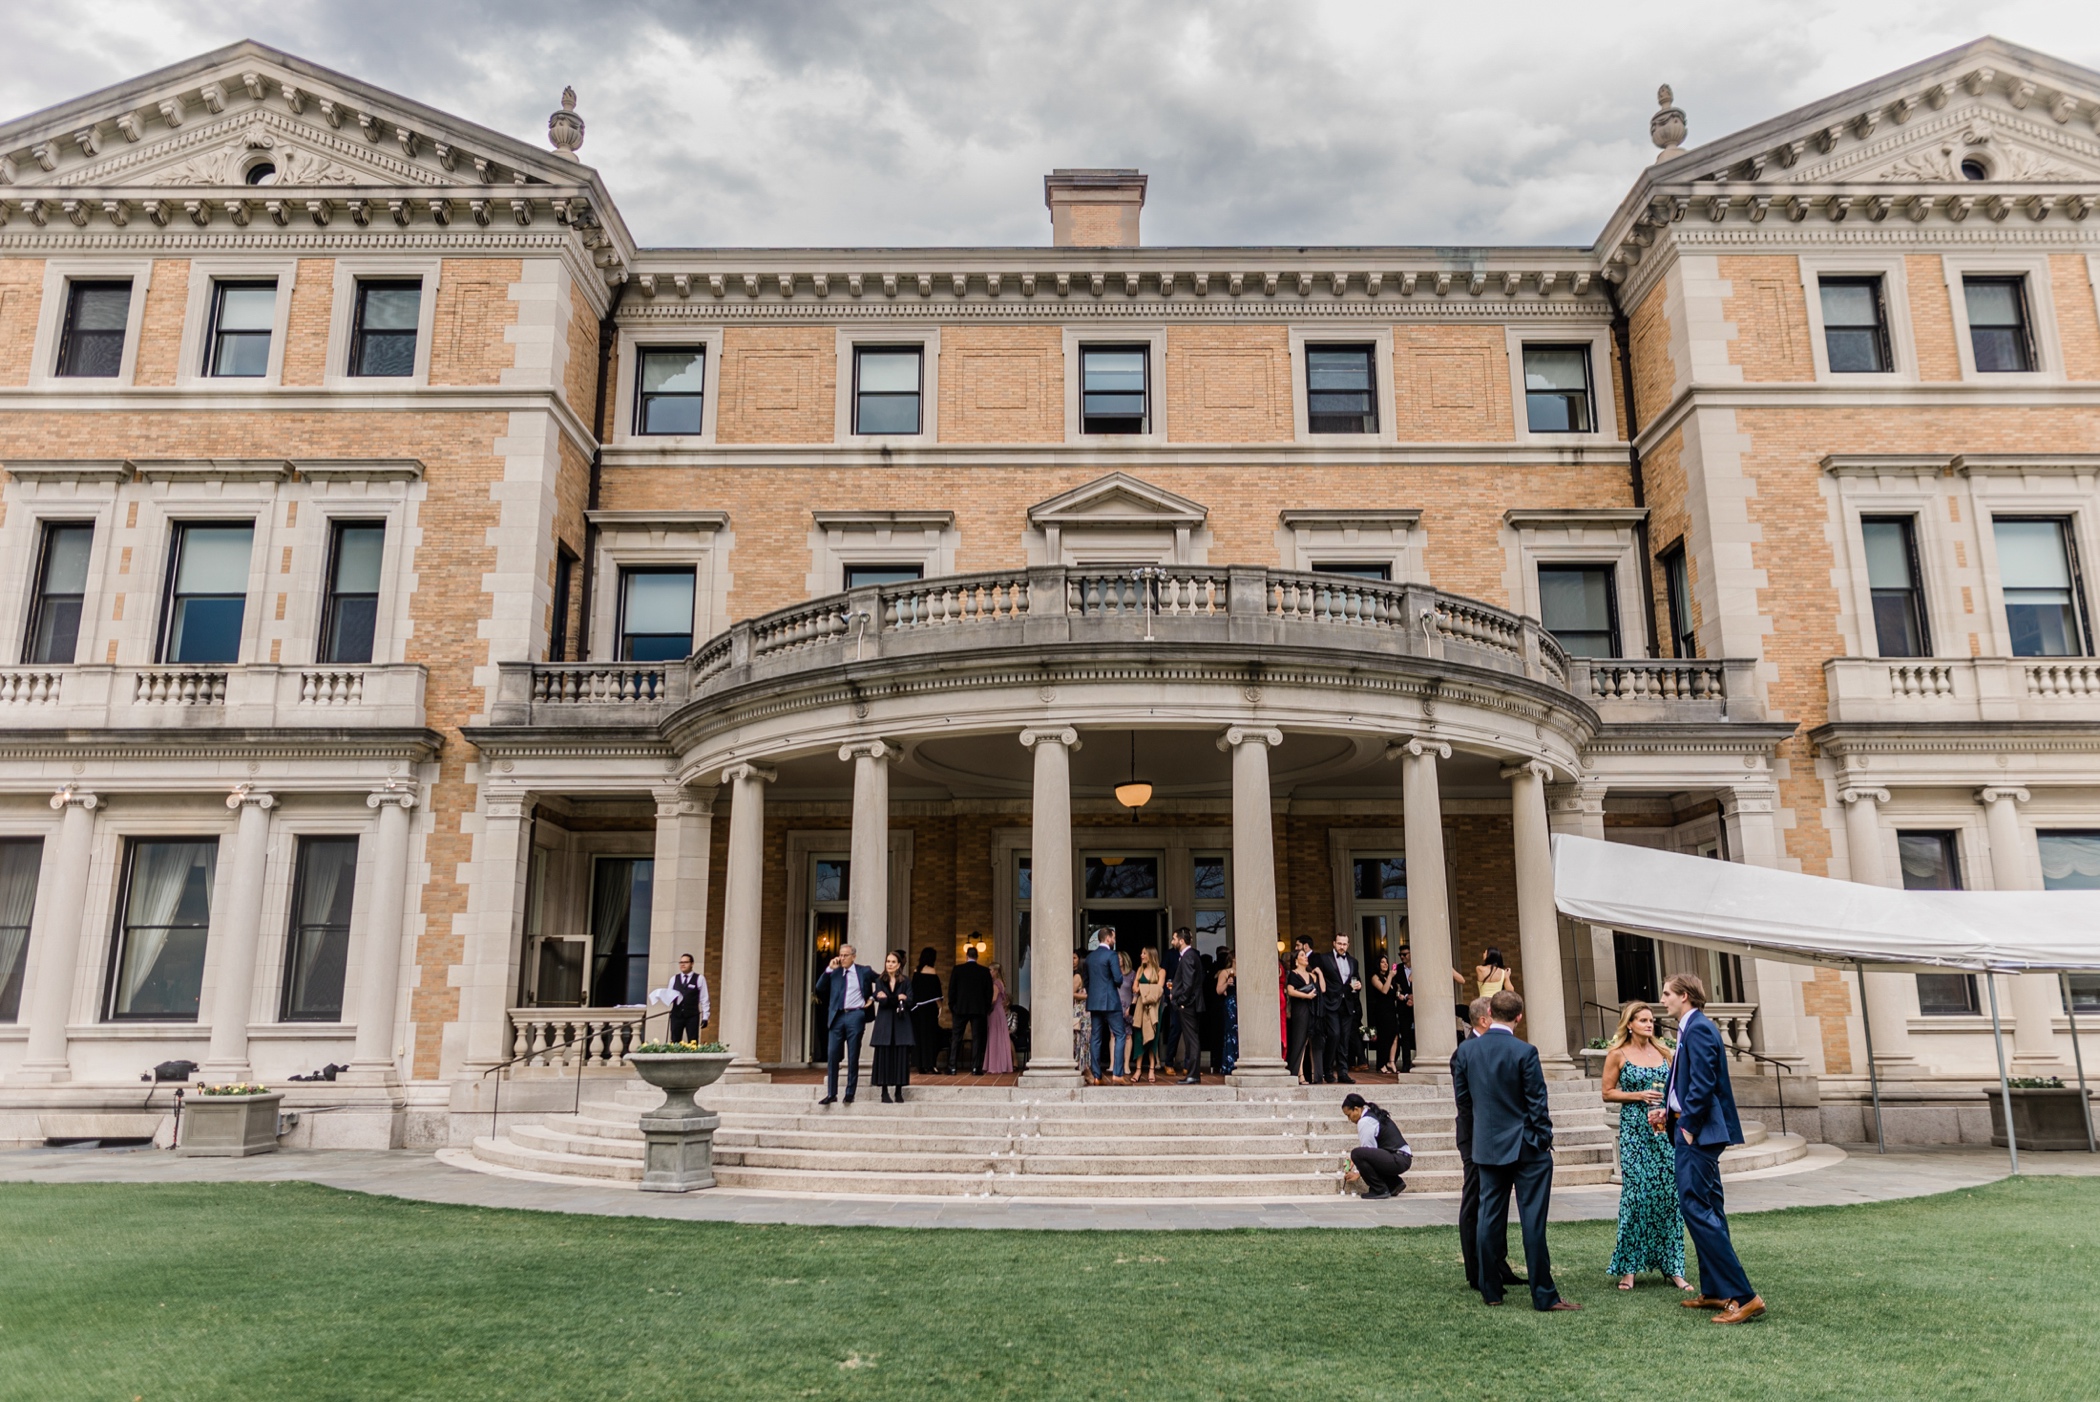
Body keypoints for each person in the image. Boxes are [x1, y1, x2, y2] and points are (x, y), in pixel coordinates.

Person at [1450, 990, 1578, 1312]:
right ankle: (1544, 1296)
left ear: (1490, 1013)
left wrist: (1482, 1136)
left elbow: (1464, 1102)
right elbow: (1537, 1101)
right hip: (1527, 1148)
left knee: (1488, 1218)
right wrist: (1543, 1138)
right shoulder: (1525, 1051)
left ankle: (1490, 1290)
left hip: (1487, 1145)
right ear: (1519, 1017)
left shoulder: (1465, 1051)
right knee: (1532, 1222)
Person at [1656, 973, 1765, 1324]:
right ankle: (1717, 1290)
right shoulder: (1691, 1028)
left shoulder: (1699, 1028)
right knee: (1709, 1209)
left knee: (1697, 1209)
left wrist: (1687, 1125)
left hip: (1698, 1133)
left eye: (1667, 994)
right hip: (1691, 1128)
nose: (1663, 1000)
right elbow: (1686, 1081)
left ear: (1685, 996)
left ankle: (1745, 1297)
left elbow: (1703, 1084)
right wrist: (1668, 1110)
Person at [1603, 999, 1692, 1290]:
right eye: (1642, 1020)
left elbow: (1676, 1089)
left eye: (1651, 1020)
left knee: (1669, 1196)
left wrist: (1669, 1109)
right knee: (1636, 1196)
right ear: (1629, 1024)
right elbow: (1607, 1092)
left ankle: (1673, 1267)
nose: (1649, 1024)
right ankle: (1628, 1268)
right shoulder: (1617, 1054)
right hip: (1634, 1132)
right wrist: (1638, 1095)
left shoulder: (1664, 1052)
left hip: (1663, 1131)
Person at [1452, 996, 1523, 1296]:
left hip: (1500, 1137)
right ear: (1485, 1019)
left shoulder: (1495, 1046)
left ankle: (1498, 1265)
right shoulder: (1465, 1051)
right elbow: (1465, 1103)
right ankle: (1477, 1271)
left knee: (1497, 1202)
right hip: (1475, 1137)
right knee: (1475, 1202)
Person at [813, 943, 878, 1106]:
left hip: (855, 1015)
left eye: (845, 955)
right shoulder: (835, 972)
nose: (842, 958)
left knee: (853, 1055)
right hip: (837, 1016)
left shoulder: (864, 971)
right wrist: (829, 969)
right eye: (840, 955)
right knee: (832, 1054)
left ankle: (850, 1093)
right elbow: (819, 987)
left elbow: (882, 981)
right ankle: (831, 1093)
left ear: (853, 957)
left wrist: (872, 998)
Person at [1340, 1092, 1413, 1199]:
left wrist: (1357, 1171)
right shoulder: (1372, 1114)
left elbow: (1367, 1151)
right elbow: (1372, 1154)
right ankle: (1394, 1183)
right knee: (1359, 1155)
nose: (1349, 1119)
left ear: (1356, 1109)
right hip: (1402, 1157)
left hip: (1397, 1158)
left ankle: (1379, 1189)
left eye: (1349, 1115)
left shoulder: (1365, 1121)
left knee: (1356, 1153)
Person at [1311, 933, 1361, 1083]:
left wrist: (1358, 985)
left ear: (1348, 945)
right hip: (1330, 1003)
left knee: (1345, 1038)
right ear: (1334, 943)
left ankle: (1343, 1073)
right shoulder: (1324, 958)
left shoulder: (1353, 961)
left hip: (1348, 1003)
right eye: (1339, 943)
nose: (1342, 947)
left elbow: (1356, 978)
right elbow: (1314, 974)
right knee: (1334, 1035)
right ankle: (1327, 1070)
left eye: (1344, 944)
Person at [869, 949, 915, 1104]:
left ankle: (898, 1091)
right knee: (884, 1056)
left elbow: (910, 1000)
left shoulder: (906, 981)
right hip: (885, 1022)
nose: (890, 964)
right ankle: (884, 1092)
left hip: (901, 1023)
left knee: (900, 1056)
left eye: (893, 962)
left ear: (899, 964)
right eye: (888, 961)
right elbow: (881, 1000)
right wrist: (897, 998)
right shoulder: (880, 980)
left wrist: (889, 998)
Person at [1085, 928, 1128, 1084]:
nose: (1114, 940)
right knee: (1120, 1035)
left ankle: (1097, 1076)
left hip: (1094, 1002)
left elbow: (1086, 981)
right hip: (1110, 1001)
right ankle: (1117, 1074)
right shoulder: (1111, 955)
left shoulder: (1089, 957)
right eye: (1113, 937)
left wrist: (1093, 994)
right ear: (1108, 938)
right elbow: (1118, 979)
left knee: (1096, 1038)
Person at [949, 941, 994, 1076]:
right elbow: (989, 992)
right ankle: (975, 1067)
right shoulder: (984, 971)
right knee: (977, 1038)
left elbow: (952, 990)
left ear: (966, 956)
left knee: (956, 1037)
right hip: (978, 1009)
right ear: (977, 957)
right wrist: (986, 1008)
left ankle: (952, 1067)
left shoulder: (957, 970)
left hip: (960, 1009)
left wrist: (953, 1006)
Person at [1167, 927, 1205, 1084]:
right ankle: (1192, 1073)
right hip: (1190, 1004)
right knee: (1191, 1039)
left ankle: (1193, 1075)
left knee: (1191, 1040)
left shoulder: (1188, 957)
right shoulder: (1190, 956)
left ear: (1181, 941)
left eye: (1174, 939)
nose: (1172, 942)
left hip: (1188, 1005)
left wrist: (1181, 1001)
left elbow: (1188, 984)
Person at [1285, 944, 1323, 1084]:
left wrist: (1320, 974)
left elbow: (1322, 989)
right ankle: (1299, 1074)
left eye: (1305, 955)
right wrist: (1306, 996)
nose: (1305, 957)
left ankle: (1315, 1074)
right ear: (1296, 960)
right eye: (1302, 955)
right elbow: (1290, 991)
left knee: (1313, 1040)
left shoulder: (1312, 975)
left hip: (1313, 1009)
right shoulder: (1293, 974)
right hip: (1300, 1009)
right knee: (1300, 1040)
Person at [1130, 946, 1166, 1082]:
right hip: (1141, 1007)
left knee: (1153, 1038)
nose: (1142, 955)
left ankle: (1152, 1069)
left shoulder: (1161, 971)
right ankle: (1138, 1070)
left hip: (1154, 1008)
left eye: (1144, 953)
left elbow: (1160, 989)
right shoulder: (1140, 970)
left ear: (1151, 955)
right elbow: (1134, 988)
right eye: (1141, 953)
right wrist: (1147, 989)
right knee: (1139, 1037)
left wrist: (1143, 989)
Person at [908, 949, 944, 1076]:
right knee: (930, 1037)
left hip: (916, 1010)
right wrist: (940, 1007)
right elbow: (936, 993)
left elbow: (913, 991)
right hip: (929, 1009)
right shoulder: (932, 971)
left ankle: (920, 1065)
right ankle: (930, 1065)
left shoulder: (916, 971)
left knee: (919, 1036)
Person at [1368, 954, 1402, 1074]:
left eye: (1386, 962)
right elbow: (1384, 990)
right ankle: (1381, 1063)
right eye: (1382, 962)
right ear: (1378, 964)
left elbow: (1394, 993)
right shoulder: (1375, 977)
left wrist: (1400, 995)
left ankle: (1391, 1061)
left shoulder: (1390, 978)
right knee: (1384, 1037)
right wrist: (1390, 976)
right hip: (1382, 1011)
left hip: (1392, 1010)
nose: (1385, 964)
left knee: (1395, 1036)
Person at [666, 952, 709, 1044]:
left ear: (692, 964)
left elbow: (704, 998)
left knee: (693, 1041)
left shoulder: (699, 978)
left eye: (685, 962)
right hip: (676, 1015)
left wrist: (705, 1017)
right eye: (681, 962)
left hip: (692, 1015)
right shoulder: (674, 979)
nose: (683, 964)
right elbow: (669, 997)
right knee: (675, 1041)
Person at [1213, 947, 1238, 1076]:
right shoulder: (1225, 972)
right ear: (1233, 958)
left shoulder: (1245, 970)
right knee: (1231, 1032)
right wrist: (1227, 983)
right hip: (1231, 1004)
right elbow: (1219, 990)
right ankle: (1230, 1063)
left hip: (1243, 1003)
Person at [1395, 943, 1416, 1073]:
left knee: (1420, 1034)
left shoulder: (1419, 967)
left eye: (1404, 954)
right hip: (1404, 1007)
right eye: (1400, 955)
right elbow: (1396, 989)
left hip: (1419, 1007)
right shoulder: (1397, 968)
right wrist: (1406, 997)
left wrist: (1415, 998)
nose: (1402, 957)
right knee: (1405, 1035)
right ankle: (1406, 1063)